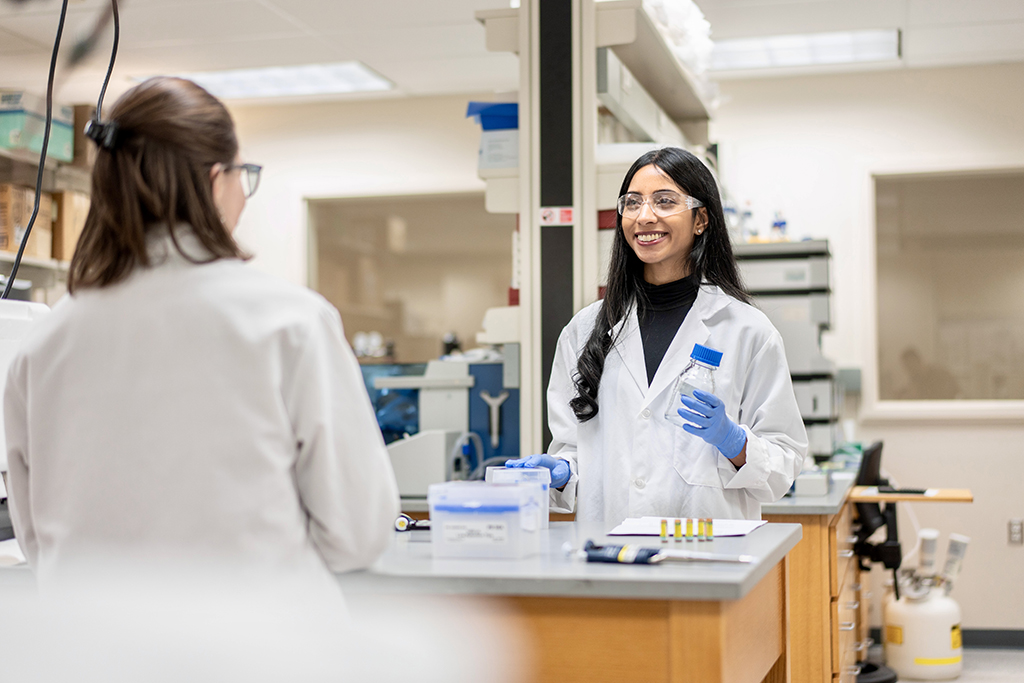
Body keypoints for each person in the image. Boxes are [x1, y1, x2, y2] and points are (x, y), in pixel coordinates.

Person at [3, 77, 399, 585]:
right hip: (255, 650)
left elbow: (38, 540)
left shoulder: (43, 344)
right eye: (243, 176)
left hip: (96, 656)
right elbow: (358, 533)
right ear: (216, 181)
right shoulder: (291, 323)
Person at [507, 147, 806, 523]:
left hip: (708, 556)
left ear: (701, 219)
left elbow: (784, 463)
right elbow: (578, 452)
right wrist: (563, 471)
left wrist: (734, 440)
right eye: (632, 203)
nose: (645, 216)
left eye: (664, 201)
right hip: (611, 554)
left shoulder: (747, 331)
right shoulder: (583, 331)